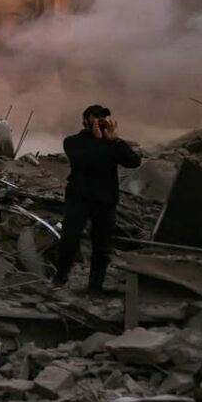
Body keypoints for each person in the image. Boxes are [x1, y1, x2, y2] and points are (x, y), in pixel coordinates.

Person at [53, 105, 141, 294]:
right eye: (96, 118)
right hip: (79, 199)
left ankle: (95, 287)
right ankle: (59, 279)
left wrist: (115, 140)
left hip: (105, 200)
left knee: (102, 246)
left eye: (104, 118)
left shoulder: (113, 144)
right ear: (85, 120)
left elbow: (133, 162)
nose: (100, 122)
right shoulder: (73, 142)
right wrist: (101, 141)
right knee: (70, 240)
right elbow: (86, 161)